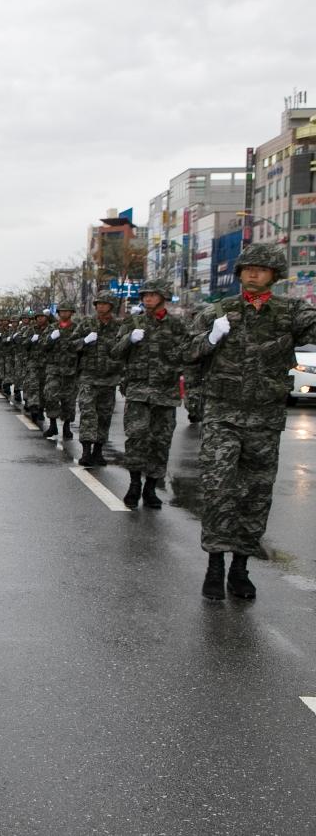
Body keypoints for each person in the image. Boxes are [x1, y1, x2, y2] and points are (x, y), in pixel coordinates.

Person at [187, 243, 316, 600]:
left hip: (265, 419)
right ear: (240, 273)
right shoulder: (218, 311)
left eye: (261, 268)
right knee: (218, 489)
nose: (253, 273)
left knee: (256, 494)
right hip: (222, 417)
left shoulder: (291, 311)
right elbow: (185, 353)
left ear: (274, 275)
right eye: (247, 268)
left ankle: (240, 567)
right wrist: (210, 337)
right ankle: (214, 564)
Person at [110, 279, 186, 508]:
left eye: (152, 295)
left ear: (163, 297)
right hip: (138, 393)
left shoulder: (177, 326)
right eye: (145, 295)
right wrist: (128, 339)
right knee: (136, 439)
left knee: (160, 442)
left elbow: (189, 355)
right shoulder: (133, 322)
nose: (147, 299)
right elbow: (114, 352)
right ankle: (134, 485)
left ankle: (151, 488)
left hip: (165, 393)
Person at [73, 291, 125, 467]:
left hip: (109, 379)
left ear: (111, 306)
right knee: (88, 413)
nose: (101, 306)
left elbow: (125, 349)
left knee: (104, 415)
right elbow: (71, 345)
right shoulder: (86, 323)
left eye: (105, 303)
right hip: (88, 376)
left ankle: (98, 451)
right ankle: (86, 450)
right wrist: (84, 341)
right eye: (98, 304)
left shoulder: (119, 326)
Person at [41, 302, 81, 441]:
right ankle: (52, 424)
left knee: (69, 400)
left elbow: (82, 348)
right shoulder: (52, 328)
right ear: (58, 313)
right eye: (62, 311)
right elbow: (43, 346)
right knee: (50, 395)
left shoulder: (77, 328)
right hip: (54, 368)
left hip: (71, 370)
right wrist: (51, 338)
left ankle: (67, 426)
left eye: (67, 311)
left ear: (72, 313)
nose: (64, 314)